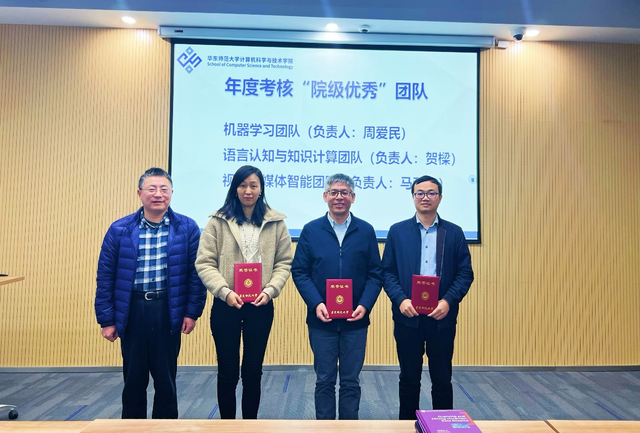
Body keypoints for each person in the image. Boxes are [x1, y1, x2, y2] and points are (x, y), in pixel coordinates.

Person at [94, 167, 206, 419]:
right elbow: (106, 277)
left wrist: (192, 313)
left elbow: (196, 275)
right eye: (152, 189)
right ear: (139, 193)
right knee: (133, 380)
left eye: (164, 189)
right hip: (132, 310)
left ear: (171, 193)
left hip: (168, 309)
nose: (158, 194)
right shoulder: (119, 229)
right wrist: (107, 320)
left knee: (166, 380)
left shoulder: (187, 228)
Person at [195, 165, 293, 419]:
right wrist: (224, 291)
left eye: (253, 185)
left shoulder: (276, 223)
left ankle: (250, 425)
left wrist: (270, 290)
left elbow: (284, 262)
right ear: (235, 189)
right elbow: (204, 262)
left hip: (260, 306)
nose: (248, 190)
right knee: (227, 372)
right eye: (242, 185)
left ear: (261, 189)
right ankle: (227, 426)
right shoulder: (217, 221)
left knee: (253, 371)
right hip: (226, 305)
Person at [291, 173, 383, 420]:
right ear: (325, 196)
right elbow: (299, 271)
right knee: (324, 380)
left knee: (351, 381)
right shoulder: (311, 230)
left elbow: (375, 274)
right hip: (322, 320)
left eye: (344, 192)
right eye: (334, 192)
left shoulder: (365, 230)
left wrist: (365, 305)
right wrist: (316, 303)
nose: (339, 197)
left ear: (353, 197)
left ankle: (349, 428)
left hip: (356, 320)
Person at [382, 175, 474, 419]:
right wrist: (401, 299)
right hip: (408, 317)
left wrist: (448, 301)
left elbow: (465, 273)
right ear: (413, 197)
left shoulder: (453, 232)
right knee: (409, 378)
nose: (425, 197)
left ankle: (441, 426)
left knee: (442, 378)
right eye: (420, 193)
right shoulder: (398, 231)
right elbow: (387, 272)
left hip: (441, 318)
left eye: (431, 193)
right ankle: (406, 426)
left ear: (440, 198)